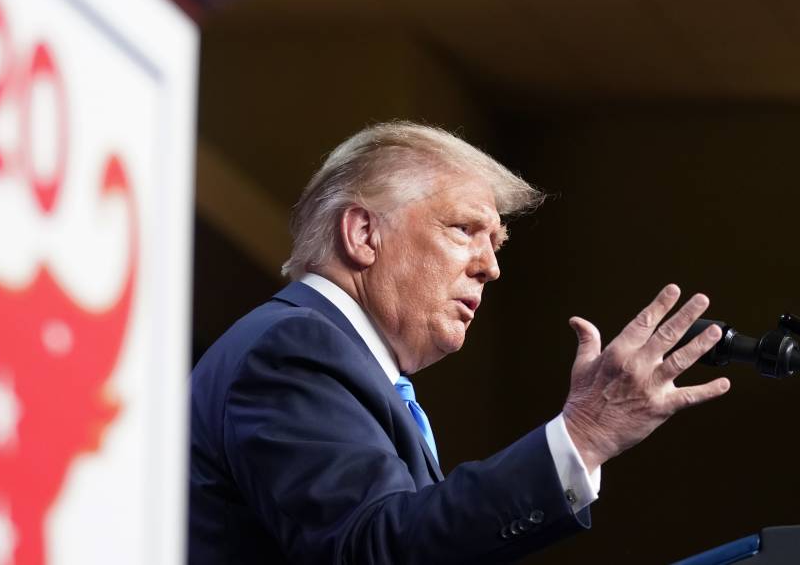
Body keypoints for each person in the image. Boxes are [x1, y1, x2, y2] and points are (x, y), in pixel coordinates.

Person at [189, 121, 730, 563]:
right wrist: (583, 436)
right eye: (464, 229)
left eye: (496, 243)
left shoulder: (340, 362)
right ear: (363, 235)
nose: (490, 267)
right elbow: (373, 549)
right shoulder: (294, 346)